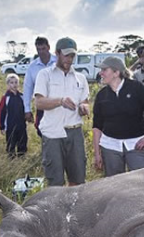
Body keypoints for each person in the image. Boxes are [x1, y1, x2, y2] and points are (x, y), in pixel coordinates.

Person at [34, 37, 90, 186]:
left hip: (75, 133)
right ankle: (56, 209)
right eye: (66, 55)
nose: (70, 59)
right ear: (57, 53)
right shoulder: (45, 75)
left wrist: (84, 108)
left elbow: (84, 101)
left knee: (78, 180)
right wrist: (60, 101)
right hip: (53, 133)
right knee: (55, 181)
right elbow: (39, 102)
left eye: (72, 56)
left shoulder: (81, 78)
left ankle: (75, 209)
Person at [93, 57, 144, 177]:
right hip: (110, 147)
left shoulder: (137, 88)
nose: (100, 73)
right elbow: (97, 126)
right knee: (114, 185)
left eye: (104, 70)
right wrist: (97, 154)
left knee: (141, 182)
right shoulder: (101, 95)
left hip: (136, 144)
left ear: (116, 72)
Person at [23, 36, 57, 136]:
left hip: (58, 103)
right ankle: (47, 150)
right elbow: (27, 88)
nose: (41, 52)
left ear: (49, 47)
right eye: (38, 49)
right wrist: (27, 110)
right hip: (42, 104)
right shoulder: (32, 67)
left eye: (43, 49)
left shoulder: (58, 62)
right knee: (41, 129)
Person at [0, 74, 27, 158]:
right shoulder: (5, 98)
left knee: (22, 142)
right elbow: (1, 112)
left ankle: (22, 158)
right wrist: (1, 126)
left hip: (21, 125)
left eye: (16, 82)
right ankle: (11, 160)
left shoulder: (22, 96)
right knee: (11, 144)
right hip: (10, 126)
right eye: (11, 82)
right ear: (8, 84)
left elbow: (26, 109)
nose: (14, 84)